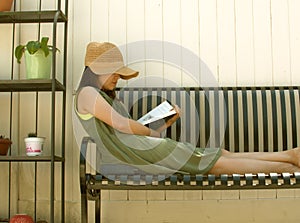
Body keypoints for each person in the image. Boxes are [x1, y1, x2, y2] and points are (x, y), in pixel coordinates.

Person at [75, 42, 300, 176]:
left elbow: (127, 131)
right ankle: (286, 163)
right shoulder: (87, 93)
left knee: (219, 156)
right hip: (131, 155)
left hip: (138, 151)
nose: (117, 77)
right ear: (95, 70)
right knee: (215, 163)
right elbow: (123, 126)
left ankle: (287, 157)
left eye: (118, 72)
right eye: (113, 71)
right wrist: (153, 133)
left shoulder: (102, 96)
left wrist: (162, 125)